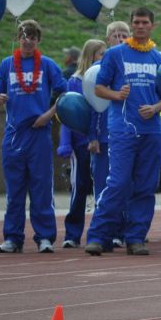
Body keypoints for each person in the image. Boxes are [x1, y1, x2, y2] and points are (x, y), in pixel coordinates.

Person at [85, 8, 161, 256]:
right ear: (131, 25)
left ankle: (136, 238)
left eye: (144, 22)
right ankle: (99, 236)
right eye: (136, 22)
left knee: (145, 185)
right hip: (122, 130)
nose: (140, 26)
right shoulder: (115, 55)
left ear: (152, 25)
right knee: (118, 182)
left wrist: (155, 108)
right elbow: (98, 88)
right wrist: (116, 95)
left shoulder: (159, 60)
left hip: (151, 130)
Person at [0, 20, 67, 253]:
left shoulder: (47, 65)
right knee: (14, 189)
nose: (28, 41)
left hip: (39, 133)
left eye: (32, 37)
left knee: (41, 187)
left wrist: (49, 114)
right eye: (24, 36)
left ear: (38, 40)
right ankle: (12, 238)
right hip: (15, 134)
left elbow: (65, 94)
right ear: (18, 38)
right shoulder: (7, 64)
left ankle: (44, 237)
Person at [58, 39, 106, 249]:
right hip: (80, 145)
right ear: (91, 55)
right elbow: (69, 114)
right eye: (100, 54)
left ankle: (103, 232)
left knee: (103, 189)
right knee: (79, 188)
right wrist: (66, 144)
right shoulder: (75, 81)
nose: (104, 58)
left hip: (102, 142)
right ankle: (72, 233)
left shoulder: (106, 79)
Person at [89, 21, 130, 250]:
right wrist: (92, 136)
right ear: (108, 39)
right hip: (105, 136)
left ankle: (124, 230)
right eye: (116, 35)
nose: (121, 39)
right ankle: (103, 230)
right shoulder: (103, 65)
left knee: (128, 186)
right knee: (108, 185)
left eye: (125, 35)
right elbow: (94, 103)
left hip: (128, 133)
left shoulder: (135, 60)